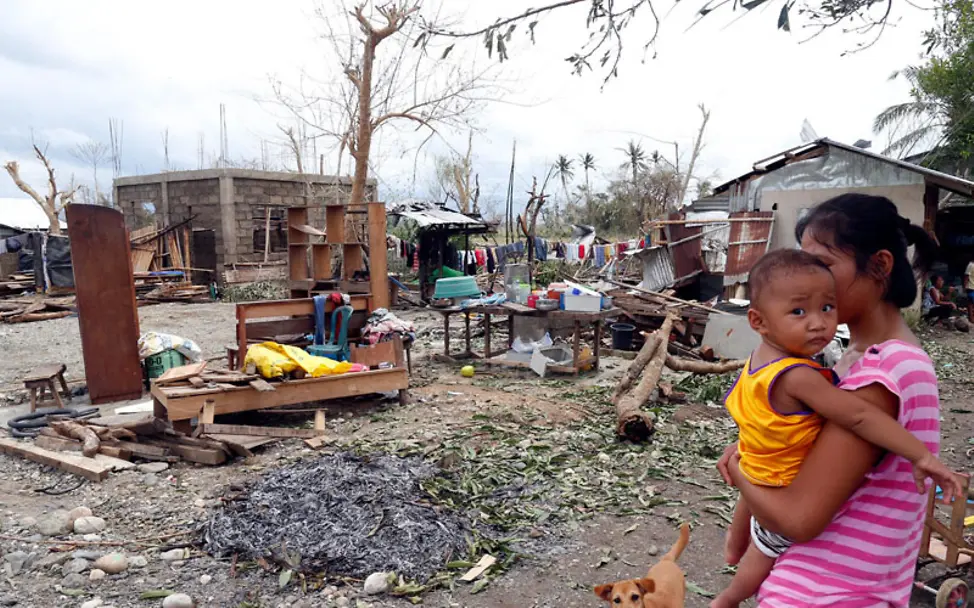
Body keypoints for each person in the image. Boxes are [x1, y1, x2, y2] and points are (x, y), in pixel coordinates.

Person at [716, 193, 956, 607]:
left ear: (879, 266)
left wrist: (737, 470)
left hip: (823, 593)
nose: (808, 280)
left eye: (823, 265)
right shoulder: (855, 360)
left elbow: (799, 520)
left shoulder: (882, 372)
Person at [965, 257, 974, 322]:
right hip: (970, 287)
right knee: (970, 303)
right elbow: (966, 276)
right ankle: (971, 318)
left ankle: (971, 318)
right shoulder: (971, 265)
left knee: (971, 303)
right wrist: (965, 286)